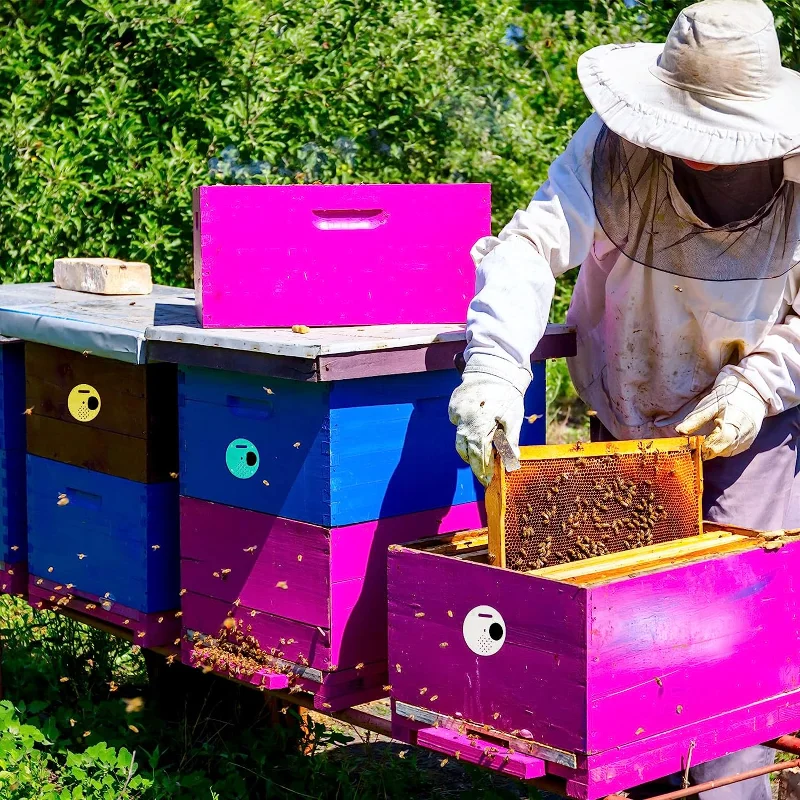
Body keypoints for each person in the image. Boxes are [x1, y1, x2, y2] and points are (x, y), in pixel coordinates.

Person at [448, 1, 800, 798]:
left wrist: (753, 389)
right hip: (626, 423)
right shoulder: (610, 152)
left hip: (755, 433)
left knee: (729, 648)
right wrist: (497, 371)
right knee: (632, 641)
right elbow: (532, 246)